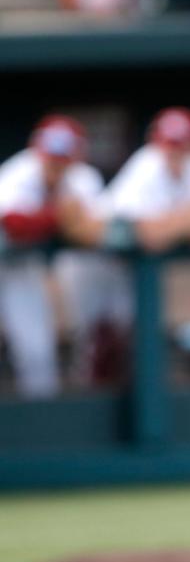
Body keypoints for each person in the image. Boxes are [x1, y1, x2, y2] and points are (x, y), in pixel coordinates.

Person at [54, 106, 190, 386]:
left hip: (131, 273)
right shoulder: (147, 164)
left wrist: (175, 224)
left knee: (131, 345)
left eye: (181, 146)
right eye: (168, 145)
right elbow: (143, 235)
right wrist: (189, 220)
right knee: (91, 347)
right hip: (96, 265)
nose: (173, 153)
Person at [0, 115, 103, 398]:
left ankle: (43, 425)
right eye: (50, 160)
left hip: (20, 268)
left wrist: (69, 221)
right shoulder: (18, 173)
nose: (54, 168)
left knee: (36, 352)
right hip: (9, 262)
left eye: (62, 161)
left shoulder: (83, 178)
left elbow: (95, 229)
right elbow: (15, 224)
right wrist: (60, 216)